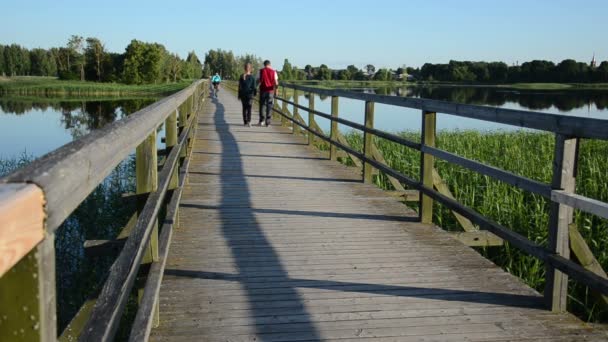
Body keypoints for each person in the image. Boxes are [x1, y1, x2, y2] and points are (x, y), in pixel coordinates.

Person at [257, 60, 278, 126]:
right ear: (269, 64)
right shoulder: (273, 72)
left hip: (263, 90)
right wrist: (276, 90)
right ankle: (268, 121)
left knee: (262, 105)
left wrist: (256, 88)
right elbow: (276, 82)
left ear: (264, 64)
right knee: (269, 105)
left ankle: (262, 121)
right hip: (270, 91)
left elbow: (257, 80)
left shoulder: (260, 71)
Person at [237, 62, 256, 127]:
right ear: (245, 68)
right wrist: (239, 95)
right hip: (243, 94)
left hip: (250, 95)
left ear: (250, 68)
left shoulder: (252, 77)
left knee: (249, 107)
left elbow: (254, 87)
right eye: (246, 67)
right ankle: (245, 121)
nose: (247, 68)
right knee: (244, 108)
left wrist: (254, 94)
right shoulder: (242, 76)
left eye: (249, 67)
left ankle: (249, 121)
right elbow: (240, 86)